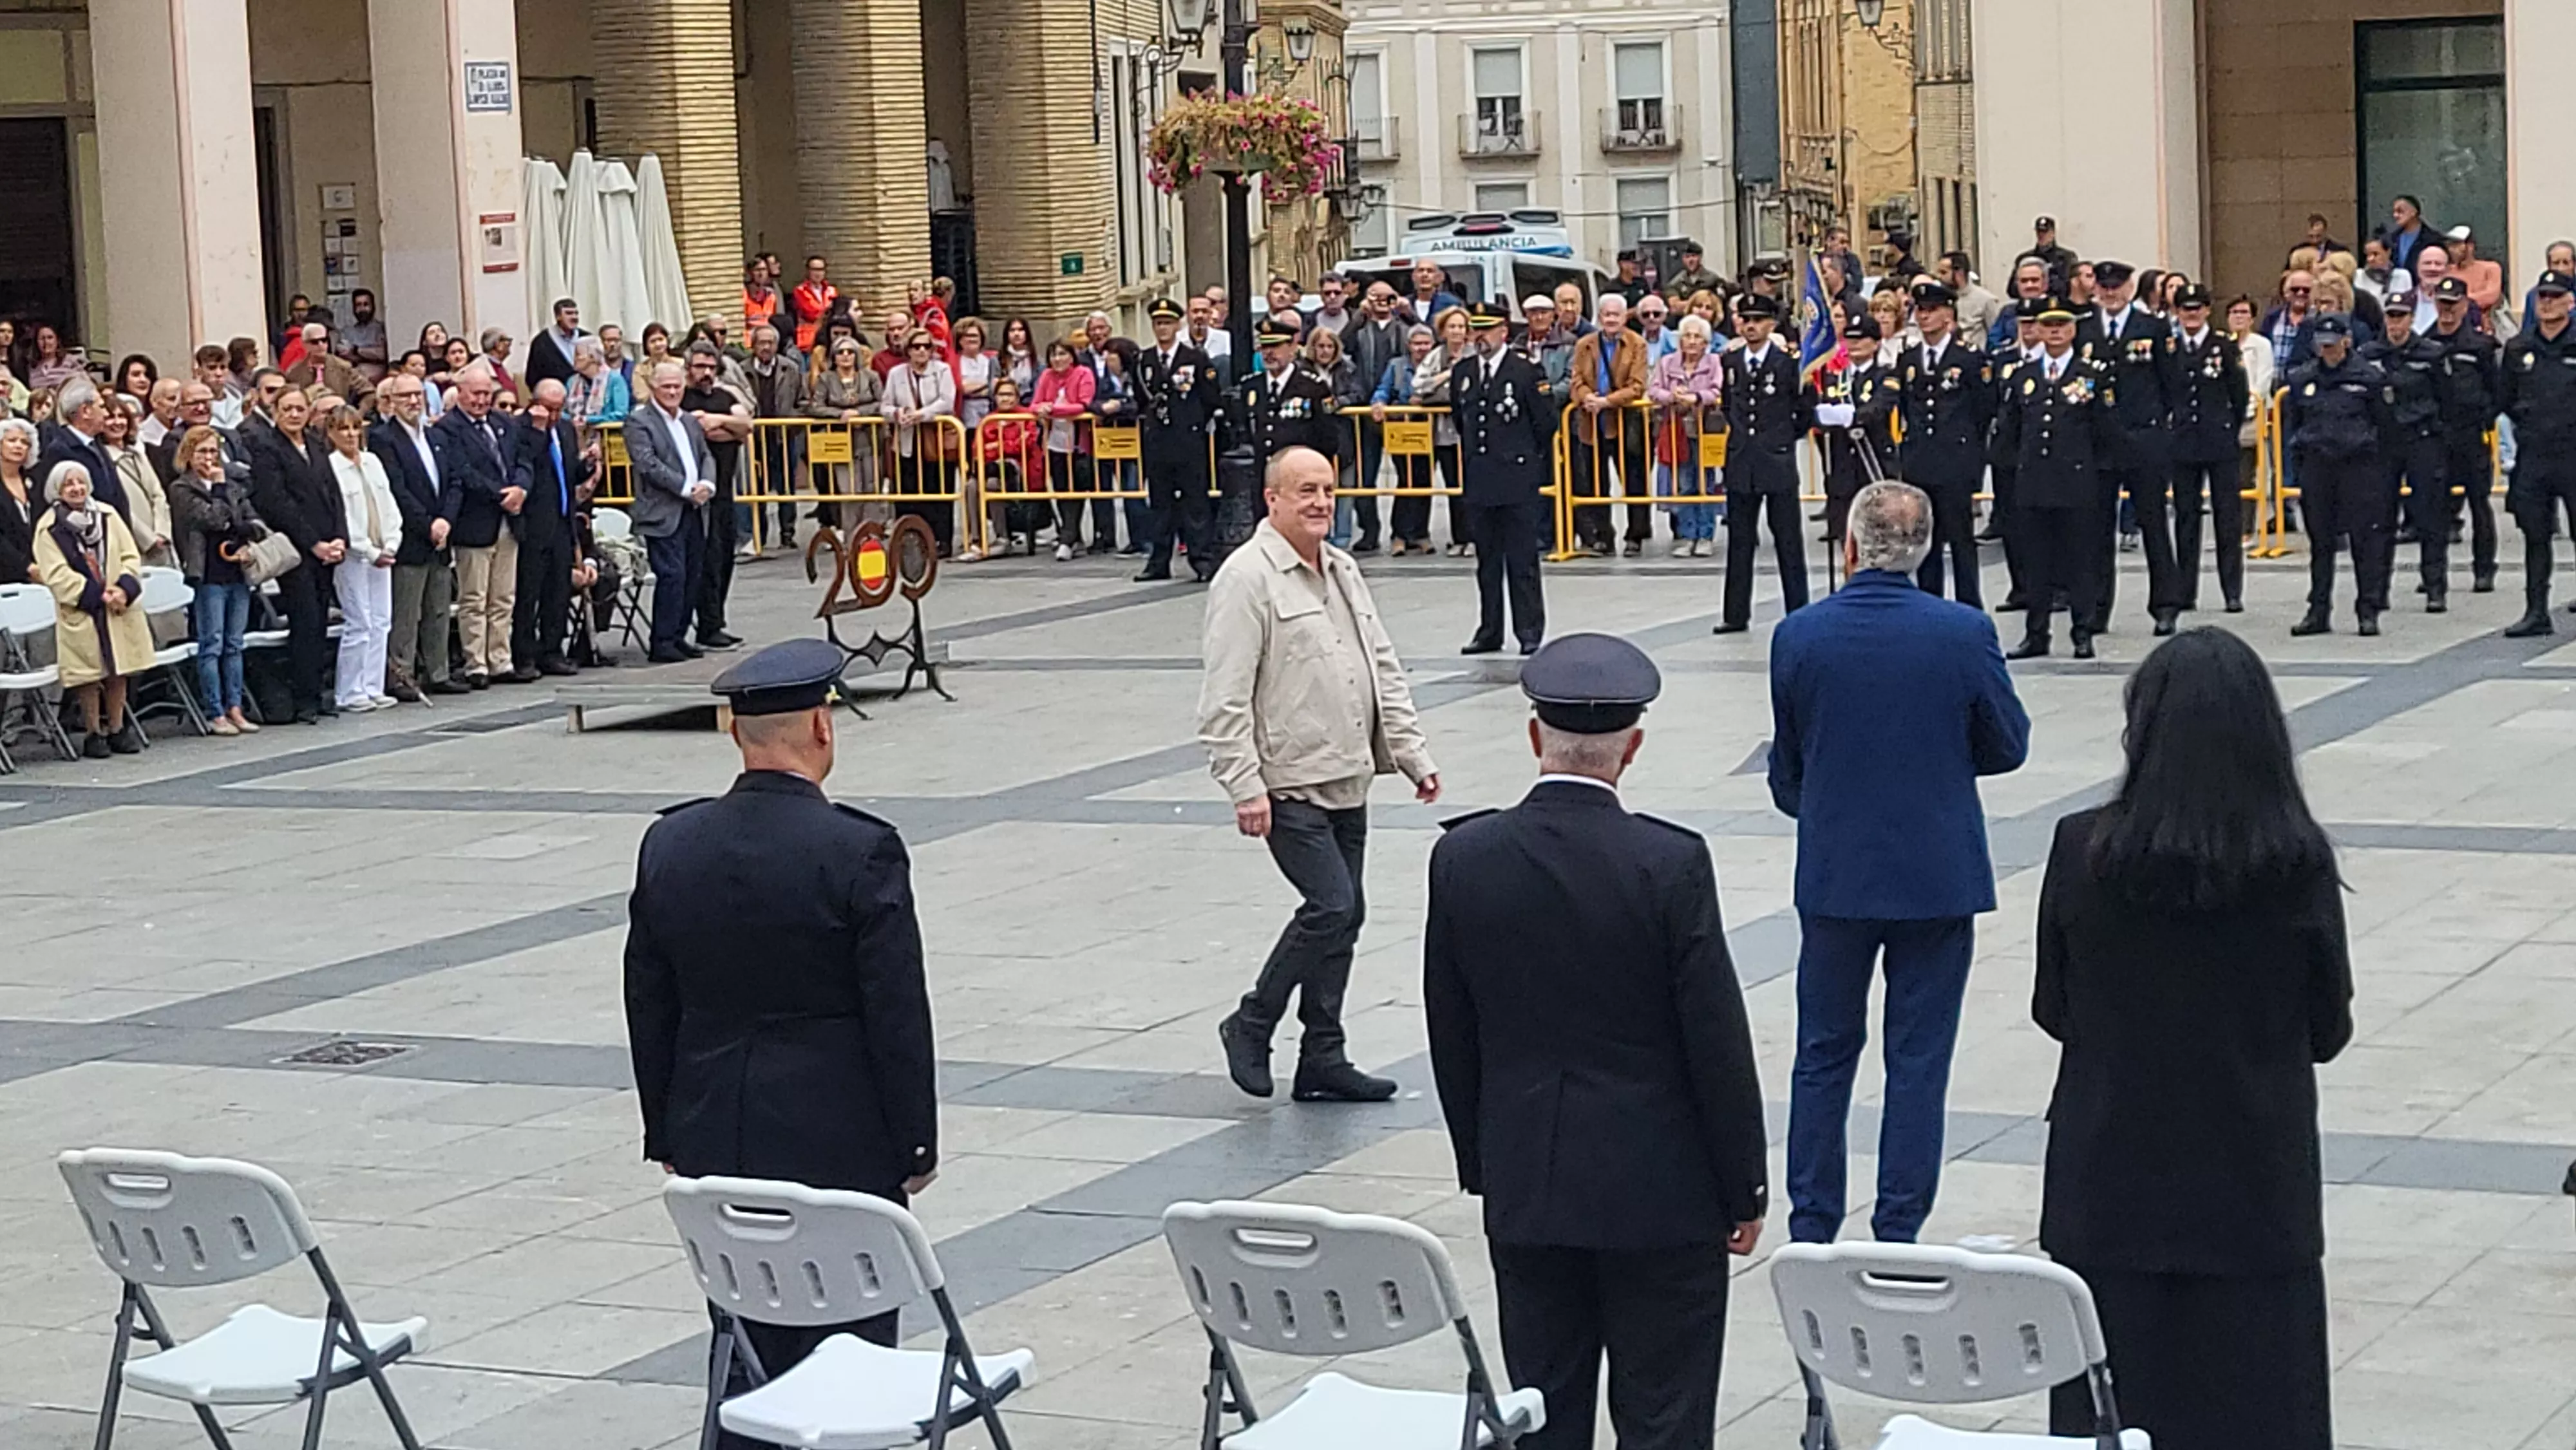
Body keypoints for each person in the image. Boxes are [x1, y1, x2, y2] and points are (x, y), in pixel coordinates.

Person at [1425, 632, 1766, 1450]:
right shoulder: (1668, 862)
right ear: (1633, 747)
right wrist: (1743, 1187)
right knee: (1666, 1416)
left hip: (1529, 1183)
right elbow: (1714, 1038)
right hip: (1663, 1189)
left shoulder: (1464, 857)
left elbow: (1453, 1032)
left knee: (1546, 1412)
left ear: (1534, 736)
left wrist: (1485, 1163)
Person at [2034, 627, 2349, 1450]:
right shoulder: (2296, 862)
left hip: (2107, 1185)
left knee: (2111, 1417)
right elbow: (2327, 1025)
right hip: (2253, 1191)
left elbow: (2052, 1007)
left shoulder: (2079, 850)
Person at [623, 637, 940, 1450]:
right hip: (842, 1138)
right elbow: (896, 1010)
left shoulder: (671, 842)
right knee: (852, 1350)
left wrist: (665, 1127)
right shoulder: (858, 848)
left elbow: (649, 1001)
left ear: (735, 734)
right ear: (822, 729)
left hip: (713, 1130)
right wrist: (915, 1139)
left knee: (747, 1341)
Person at [1768, 481, 2029, 1245]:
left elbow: (1789, 763)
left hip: (1837, 868)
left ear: (1850, 545)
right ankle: (1897, 1222)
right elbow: (2007, 743)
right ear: (1925, 549)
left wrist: (1820, 804)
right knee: (1918, 1058)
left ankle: (1813, 1220)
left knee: (1822, 1051)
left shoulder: (1800, 634)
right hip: (1934, 869)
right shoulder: (1962, 631)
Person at [1199, 445, 1437, 1104]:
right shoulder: (1246, 578)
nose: (1319, 502)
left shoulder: (1341, 568)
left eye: (1328, 489)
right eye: (1304, 490)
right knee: (1331, 905)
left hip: (1348, 772)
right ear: (1270, 499)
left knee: (1347, 914)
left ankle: (1322, 1055)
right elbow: (1223, 695)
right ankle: (1251, 1021)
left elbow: (1379, 663)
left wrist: (1413, 753)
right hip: (1287, 780)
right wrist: (1243, 783)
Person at [1996, 295, 2121, 659]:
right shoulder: (2024, 376)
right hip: (2034, 483)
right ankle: (2036, 634)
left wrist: (2097, 477)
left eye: (2061, 326)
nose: (2053, 332)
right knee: (2036, 563)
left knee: (2079, 561)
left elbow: (2105, 432)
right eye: (2047, 325)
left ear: (2073, 330)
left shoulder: (2090, 376)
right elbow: (2010, 431)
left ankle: (2082, 631)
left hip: (2076, 483)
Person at [2083, 260, 2184, 634]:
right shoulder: (2085, 330)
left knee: (2154, 525)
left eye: (2117, 286)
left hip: (2144, 439)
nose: (2110, 293)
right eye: (2104, 286)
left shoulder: (2153, 328)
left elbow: (2171, 384)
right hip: (2100, 444)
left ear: (2129, 288)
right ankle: (2096, 607)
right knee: (2097, 531)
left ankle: (2165, 604)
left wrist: (2161, 432)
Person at [34, 460, 156, 756]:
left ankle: (117, 727)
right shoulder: (49, 528)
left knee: (119, 670)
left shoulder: (108, 515)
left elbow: (130, 555)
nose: (76, 488)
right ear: (57, 490)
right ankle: (93, 732)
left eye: (80, 482)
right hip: (82, 608)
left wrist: (123, 589)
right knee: (89, 673)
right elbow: (56, 574)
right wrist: (96, 595)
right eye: (68, 484)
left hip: (118, 605)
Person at [2283, 314, 2394, 636]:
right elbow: (2296, 423)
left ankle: (2368, 609)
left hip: (2357, 467)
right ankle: (2318, 610)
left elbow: (2385, 426)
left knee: (2364, 542)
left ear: (2346, 341)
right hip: (2318, 466)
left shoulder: (2369, 378)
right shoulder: (2303, 378)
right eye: (2322, 345)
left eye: (2333, 345)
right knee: (2321, 543)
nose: (2328, 351)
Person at [1450, 305, 1548, 654]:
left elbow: (1543, 423)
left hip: (1516, 478)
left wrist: (1527, 464)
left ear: (1503, 332)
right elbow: (1461, 421)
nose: (1480, 337)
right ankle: (1490, 629)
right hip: (1480, 479)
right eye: (1475, 330)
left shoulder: (1524, 371)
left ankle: (1530, 630)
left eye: (1487, 330)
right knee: (1487, 562)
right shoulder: (1463, 372)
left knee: (1522, 561)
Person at [1713, 293, 1812, 632]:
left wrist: (1781, 440)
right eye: (1746, 320)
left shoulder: (1787, 363)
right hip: (1742, 459)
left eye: (1758, 320)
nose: (1751, 326)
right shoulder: (1730, 361)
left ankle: (1798, 608)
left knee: (1788, 538)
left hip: (1776, 459)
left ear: (1772, 324)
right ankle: (1735, 613)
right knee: (1740, 540)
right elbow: (1729, 406)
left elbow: (1802, 410)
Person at [245, 386, 346, 721]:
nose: (294, 415)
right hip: (297, 549)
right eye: (286, 409)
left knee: (319, 621)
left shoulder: (317, 445)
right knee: (305, 622)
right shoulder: (267, 449)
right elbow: (278, 504)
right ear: (275, 411)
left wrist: (339, 539)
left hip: (325, 549)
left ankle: (318, 694)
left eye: (300, 408)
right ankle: (303, 699)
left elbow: (334, 495)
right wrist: (314, 543)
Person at [1893, 281, 1993, 603]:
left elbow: (1982, 409)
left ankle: (1969, 606)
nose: (1924, 318)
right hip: (1920, 460)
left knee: (1961, 540)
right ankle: (1929, 603)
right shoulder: (1909, 359)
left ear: (1949, 314)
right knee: (1925, 543)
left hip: (1955, 460)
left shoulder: (1968, 358)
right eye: (1920, 311)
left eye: (1932, 311)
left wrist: (1970, 454)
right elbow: (1908, 408)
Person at [166, 424, 265, 734]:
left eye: (213, 451)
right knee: (213, 642)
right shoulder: (182, 489)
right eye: (202, 452)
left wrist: (246, 535)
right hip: (208, 572)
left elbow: (254, 521)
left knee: (235, 644)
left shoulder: (234, 486)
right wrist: (221, 491)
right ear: (189, 455)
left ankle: (235, 706)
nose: (209, 458)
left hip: (237, 570)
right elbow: (214, 519)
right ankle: (214, 709)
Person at [369, 372, 462, 699]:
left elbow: (453, 481)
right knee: (407, 612)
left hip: (440, 535)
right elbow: (398, 489)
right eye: (405, 396)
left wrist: (447, 520)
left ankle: (438, 671)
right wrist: (428, 525)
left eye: (418, 395)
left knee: (438, 607)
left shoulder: (436, 436)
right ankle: (402, 675)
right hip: (411, 536)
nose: (413, 401)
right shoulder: (383, 439)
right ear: (391, 402)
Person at [429, 362, 519, 686]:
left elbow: (520, 461)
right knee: (474, 597)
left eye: (486, 394)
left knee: (503, 596)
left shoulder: (503, 423)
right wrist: (499, 495)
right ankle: (476, 663)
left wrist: (520, 488)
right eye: (476, 394)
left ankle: (500, 658)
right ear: (461, 394)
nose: (482, 400)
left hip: (509, 520)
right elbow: (462, 471)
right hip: (475, 520)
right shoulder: (448, 429)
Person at [625, 359, 718, 663]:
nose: (673, 392)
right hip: (664, 511)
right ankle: (662, 640)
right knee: (672, 575)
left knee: (693, 574)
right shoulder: (639, 422)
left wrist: (706, 483)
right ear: (653, 387)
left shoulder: (690, 421)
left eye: (678, 386)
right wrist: (684, 488)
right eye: (666, 386)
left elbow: (706, 455)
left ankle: (679, 636)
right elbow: (648, 463)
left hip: (695, 508)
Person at [2168, 284, 2252, 614]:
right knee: (2186, 519)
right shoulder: (2171, 347)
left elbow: (2239, 394)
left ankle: (2232, 591)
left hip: (2218, 441)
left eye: (2197, 308)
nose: (2191, 314)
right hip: (2183, 442)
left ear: (2206, 310)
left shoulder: (2224, 347)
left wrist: (2227, 427)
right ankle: (2185, 591)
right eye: (2185, 309)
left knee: (2227, 519)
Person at [2502, 269, 2576, 637]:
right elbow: (2506, 398)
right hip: (2534, 454)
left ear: (2570, 302)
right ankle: (2536, 611)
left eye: (2555, 296)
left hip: (2573, 452)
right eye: (2542, 297)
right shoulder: (2520, 348)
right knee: (2535, 534)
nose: (2547, 303)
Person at [508, 379, 596, 679]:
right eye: (549, 409)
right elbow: (523, 465)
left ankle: (552, 650)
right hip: (533, 524)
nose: (555, 416)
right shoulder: (521, 429)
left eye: (560, 409)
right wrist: (536, 429)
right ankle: (524, 655)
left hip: (561, 521)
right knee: (529, 592)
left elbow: (569, 473)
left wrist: (587, 466)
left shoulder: (565, 430)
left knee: (558, 591)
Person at [321, 405, 402, 711]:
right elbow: (344, 518)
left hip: (383, 550)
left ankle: (373, 685)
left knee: (382, 619)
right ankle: (350, 691)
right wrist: (368, 549)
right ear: (331, 433)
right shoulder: (331, 467)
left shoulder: (372, 462)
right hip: (356, 555)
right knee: (360, 621)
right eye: (343, 429)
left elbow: (388, 503)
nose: (351, 435)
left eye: (356, 428)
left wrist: (392, 542)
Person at [2369, 295, 2447, 617]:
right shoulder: (2371, 354)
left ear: (2412, 318)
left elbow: (2447, 398)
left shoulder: (2430, 354)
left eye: (2401, 317)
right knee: (2381, 521)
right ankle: (2377, 590)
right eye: (2391, 316)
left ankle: (2435, 587)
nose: (2395, 323)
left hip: (2422, 440)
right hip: (2385, 444)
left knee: (2430, 517)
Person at [1134, 299, 1220, 582]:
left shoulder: (1194, 358)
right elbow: (1141, 399)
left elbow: (1210, 397)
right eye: (1158, 324)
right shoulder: (1145, 360)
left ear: (1177, 325)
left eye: (1168, 323)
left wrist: (1193, 423)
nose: (1163, 329)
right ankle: (1158, 562)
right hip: (1158, 443)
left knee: (1195, 504)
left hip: (1188, 442)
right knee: (1160, 505)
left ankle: (1202, 561)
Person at [2428, 276, 2502, 597]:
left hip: (2471, 434)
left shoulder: (2480, 345)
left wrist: (2485, 417)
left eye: (2453, 304)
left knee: (2479, 504)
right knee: (2435, 508)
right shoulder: (2426, 344)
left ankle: (2484, 569)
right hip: (2437, 436)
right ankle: (2434, 574)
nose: (2447, 311)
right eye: (2442, 304)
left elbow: (2498, 390)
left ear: (2464, 305)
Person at [679, 345, 751, 646]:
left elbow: (745, 425)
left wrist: (717, 421)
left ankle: (716, 619)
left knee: (724, 558)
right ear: (689, 369)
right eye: (699, 366)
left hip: (725, 492)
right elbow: (696, 432)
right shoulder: (682, 398)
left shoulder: (726, 397)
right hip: (695, 494)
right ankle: (706, 624)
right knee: (705, 560)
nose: (706, 372)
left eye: (710, 366)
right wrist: (723, 428)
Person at [1567, 295, 1651, 556]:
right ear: (1600, 317)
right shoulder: (1585, 345)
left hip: (1626, 420)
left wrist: (1607, 401)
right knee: (1595, 480)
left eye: (1617, 314)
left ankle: (1636, 534)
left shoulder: (1637, 344)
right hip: (1592, 421)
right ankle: (1603, 535)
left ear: (1625, 317)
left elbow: (1637, 385)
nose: (1611, 319)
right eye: (1607, 314)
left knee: (1634, 479)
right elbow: (1576, 380)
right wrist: (1587, 398)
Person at [1809, 315, 1900, 549]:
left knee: (1879, 537)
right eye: (1850, 339)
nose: (1854, 344)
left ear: (1877, 343)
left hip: (1873, 462)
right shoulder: (1835, 378)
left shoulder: (1886, 375)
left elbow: (1880, 407)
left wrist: (1851, 417)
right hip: (1842, 468)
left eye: (1862, 339)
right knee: (1847, 540)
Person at [1646, 313, 1725, 558]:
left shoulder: (1713, 362)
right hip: (1676, 429)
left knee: (1706, 483)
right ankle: (1686, 535)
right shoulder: (1668, 362)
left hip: (1706, 428)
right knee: (1683, 483)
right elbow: (1653, 390)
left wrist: (1697, 397)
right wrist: (1673, 396)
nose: (1692, 341)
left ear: (1706, 342)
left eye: (1697, 337)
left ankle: (1706, 535)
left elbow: (1718, 389)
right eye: (1687, 336)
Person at [880, 328, 958, 556]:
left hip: (936, 440)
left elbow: (947, 401)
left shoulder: (942, 371)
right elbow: (885, 405)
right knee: (909, 491)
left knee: (939, 490)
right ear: (908, 351)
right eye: (916, 347)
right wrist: (899, 413)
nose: (922, 351)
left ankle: (942, 540)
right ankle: (910, 539)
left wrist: (922, 414)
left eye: (926, 346)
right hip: (907, 441)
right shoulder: (897, 374)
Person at [40, 377, 133, 527]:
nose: (106, 414)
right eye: (101, 407)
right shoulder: (61, 450)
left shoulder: (95, 443)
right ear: (86, 411)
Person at [102, 397, 172, 569]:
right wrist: (148, 539)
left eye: (122, 416)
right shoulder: (103, 461)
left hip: (161, 541)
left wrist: (162, 532)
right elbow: (118, 506)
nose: (117, 422)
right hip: (133, 545)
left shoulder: (138, 455)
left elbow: (157, 493)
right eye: (110, 417)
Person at [566, 336, 630, 432]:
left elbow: (621, 414)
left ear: (592, 357)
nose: (574, 359)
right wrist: (573, 420)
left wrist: (589, 420)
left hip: (607, 436)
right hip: (575, 434)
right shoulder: (572, 382)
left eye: (578, 355)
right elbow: (563, 412)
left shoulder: (615, 380)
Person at [0, 418, 37, 583]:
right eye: (12, 440)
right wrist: (25, 566)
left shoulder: (35, 482)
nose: (19, 446)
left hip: (39, 569)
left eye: (24, 442)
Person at [790, 255, 837, 355]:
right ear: (808, 271)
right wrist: (828, 310)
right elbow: (811, 312)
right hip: (808, 340)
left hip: (829, 338)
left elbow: (837, 312)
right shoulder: (800, 290)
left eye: (821, 269)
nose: (818, 273)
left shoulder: (831, 290)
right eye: (814, 270)